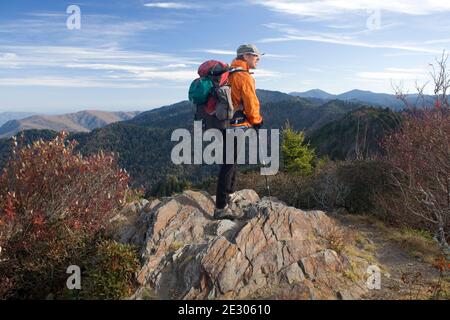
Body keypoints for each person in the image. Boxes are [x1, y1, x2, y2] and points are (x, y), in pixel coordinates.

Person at [214, 44, 264, 219]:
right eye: (256, 56)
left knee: (232, 161)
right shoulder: (243, 76)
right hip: (235, 126)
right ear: (246, 56)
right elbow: (251, 104)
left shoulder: (230, 73)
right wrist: (257, 121)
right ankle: (220, 207)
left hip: (223, 124)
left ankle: (229, 194)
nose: (259, 59)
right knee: (229, 164)